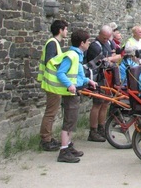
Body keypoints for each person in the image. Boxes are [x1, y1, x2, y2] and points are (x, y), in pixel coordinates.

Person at [48, 28, 98, 163]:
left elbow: (77, 74)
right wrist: (69, 85)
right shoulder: (72, 55)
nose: (89, 44)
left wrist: (88, 81)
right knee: (69, 121)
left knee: (73, 120)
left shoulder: (78, 55)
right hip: (70, 92)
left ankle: (68, 145)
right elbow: (61, 73)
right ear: (82, 43)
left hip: (75, 91)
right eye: (87, 41)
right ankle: (63, 150)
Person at [85, 24, 121, 142]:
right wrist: (111, 59)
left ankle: (101, 128)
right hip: (98, 78)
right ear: (99, 34)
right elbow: (100, 62)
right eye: (104, 37)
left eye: (107, 37)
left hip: (107, 77)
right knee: (97, 103)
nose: (105, 40)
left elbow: (117, 56)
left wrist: (110, 58)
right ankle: (93, 130)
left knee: (106, 103)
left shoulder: (109, 43)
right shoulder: (95, 46)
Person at [38, 19, 69, 151]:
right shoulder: (52, 43)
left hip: (53, 83)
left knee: (51, 112)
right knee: (50, 112)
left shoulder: (55, 43)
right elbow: (50, 61)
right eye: (65, 29)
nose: (67, 31)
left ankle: (48, 138)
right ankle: (45, 139)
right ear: (60, 30)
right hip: (52, 84)